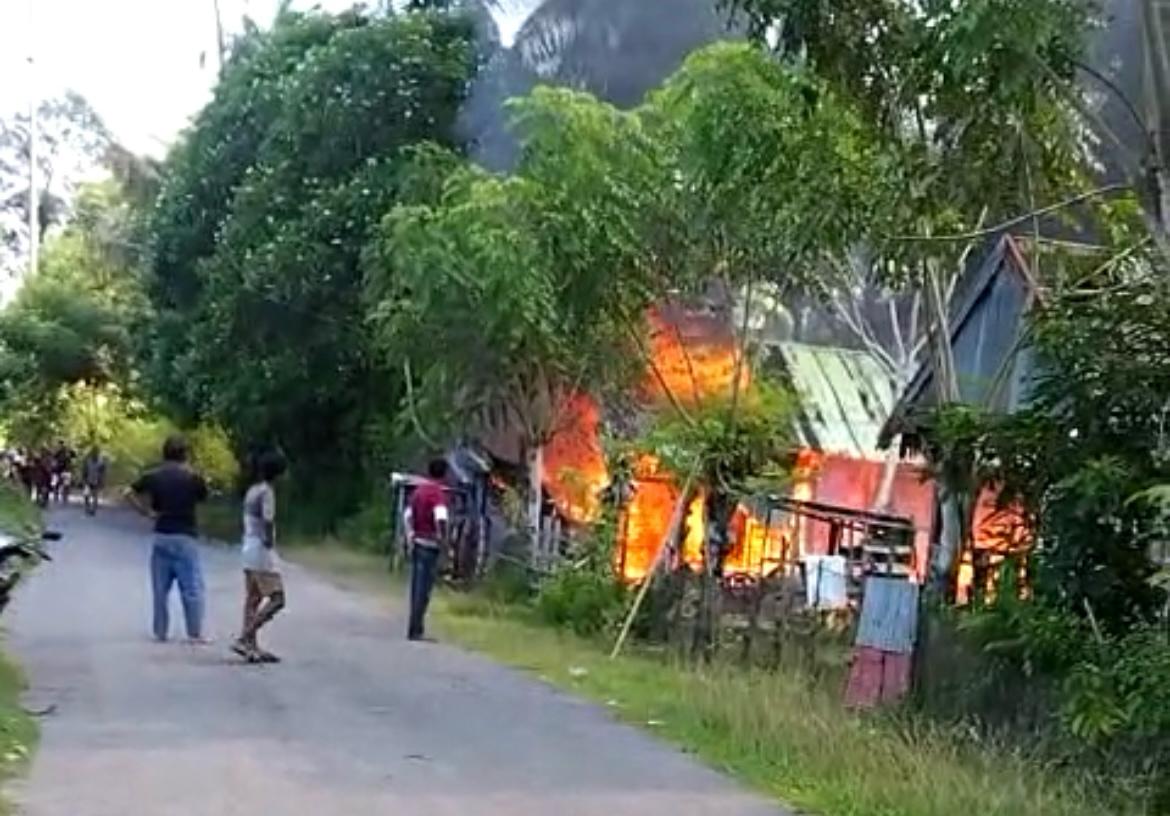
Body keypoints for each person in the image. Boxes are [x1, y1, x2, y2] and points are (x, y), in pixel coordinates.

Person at [126, 435, 210, 643]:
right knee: (191, 588)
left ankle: (161, 632)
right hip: (185, 534)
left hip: (162, 534)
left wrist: (145, 512)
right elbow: (203, 497)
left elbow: (127, 492)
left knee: (160, 588)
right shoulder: (193, 477)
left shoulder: (154, 476)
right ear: (185, 455)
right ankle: (194, 633)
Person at [232, 450, 288, 663]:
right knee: (277, 599)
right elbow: (268, 518)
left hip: (247, 546)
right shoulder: (267, 493)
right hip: (260, 550)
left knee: (253, 599)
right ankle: (245, 637)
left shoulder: (252, 490)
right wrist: (269, 541)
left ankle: (252, 647)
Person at [404, 458, 450, 642]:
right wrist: (443, 539)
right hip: (430, 545)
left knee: (416, 587)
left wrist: (410, 535)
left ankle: (414, 627)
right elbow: (441, 517)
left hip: (417, 543)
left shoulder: (418, 491)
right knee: (424, 590)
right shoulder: (437, 493)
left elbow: (407, 515)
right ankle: (417, 629)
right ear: (444, 474)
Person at [81, 447, 108, 515]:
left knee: (95, 495)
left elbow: (103, 472)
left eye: (96, 452)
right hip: (88, 480)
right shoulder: (88, 460)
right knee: (86, 495)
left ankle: (93, 509)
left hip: (96, 480)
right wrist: (83, 479)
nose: (95, 454)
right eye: (94, 452)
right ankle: (88, 507)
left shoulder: (101, 461)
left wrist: (102, 480)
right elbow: (84, 470)